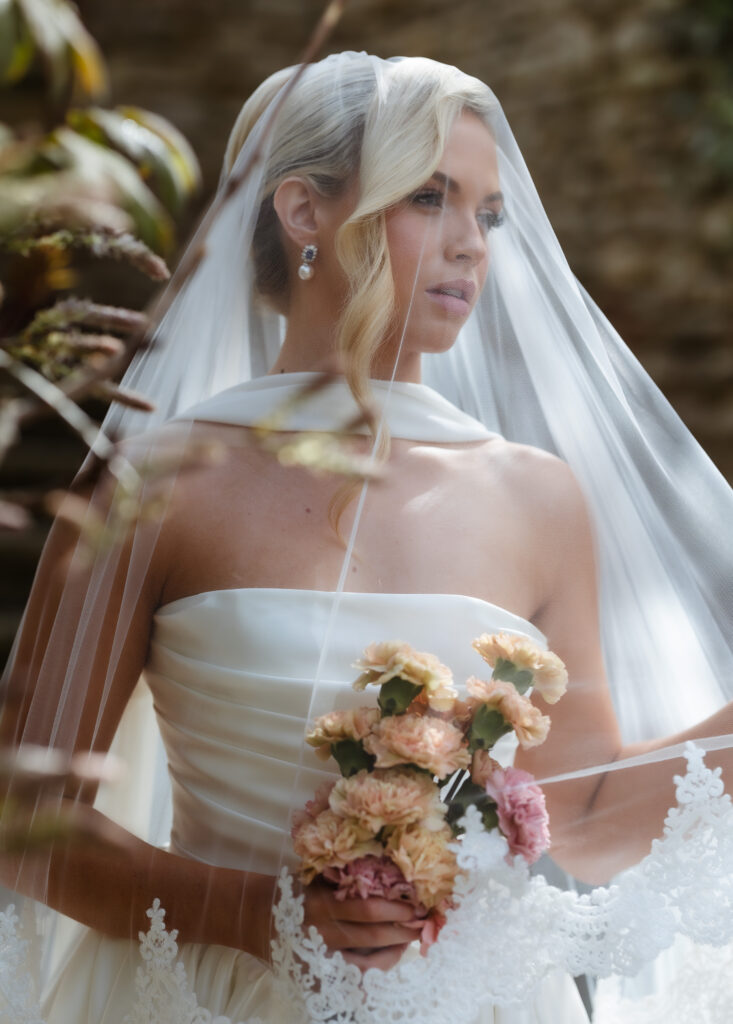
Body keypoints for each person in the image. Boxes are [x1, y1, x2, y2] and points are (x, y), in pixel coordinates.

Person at [1, 52, 733, 1024]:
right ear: (303, 211)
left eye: (488, 214)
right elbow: (24, 815)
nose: (471, 244)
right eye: (430, 197)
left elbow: (587, 819)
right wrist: (257, 913)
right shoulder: (160, 483)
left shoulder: (537, 497)